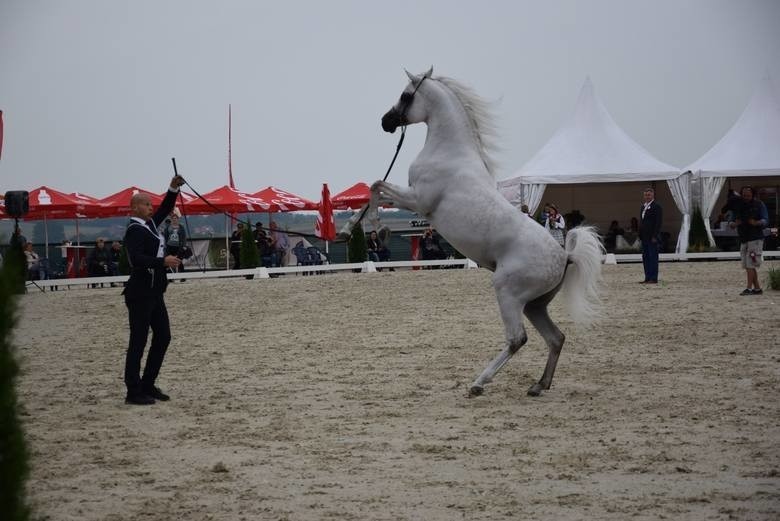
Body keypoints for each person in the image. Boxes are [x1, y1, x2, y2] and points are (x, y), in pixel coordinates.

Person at [121, 175, 184, 405]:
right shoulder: (135, 230)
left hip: (155, 292)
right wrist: (163, 262)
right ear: (135, 207)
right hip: (139, 293)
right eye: (147, 205)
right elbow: (136, 259)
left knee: (163, 336)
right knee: (138, 341)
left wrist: (173, 188)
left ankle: (148, 383)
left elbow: (167, 207)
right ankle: (133, 390)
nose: (151, 208)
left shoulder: (149, 225)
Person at [730, 186, 767, 295]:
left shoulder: (759, 204)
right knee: (747, 265)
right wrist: (734, 224)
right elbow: (731, 221)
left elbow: (765, 220)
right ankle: (757, 289)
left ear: (752, 195)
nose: (746, 197)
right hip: (744, 238)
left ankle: (749, 288)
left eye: (748, 196)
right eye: (744, 195)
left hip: (755, 238)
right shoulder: (737, 206)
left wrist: (756, 223)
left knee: (750, 264)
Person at [639, 187, 663, 284]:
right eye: (645, 195)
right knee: (645, 257)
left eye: (649, 195)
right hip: (644, 236)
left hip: (652, 236)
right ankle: (647, 277)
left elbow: (658, 222)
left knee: (653, 257)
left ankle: (653, 278)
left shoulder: (657, 206)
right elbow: (642, 222)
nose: (647, 196)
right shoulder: (642, 207)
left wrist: (655, 236)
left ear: (652, 195)